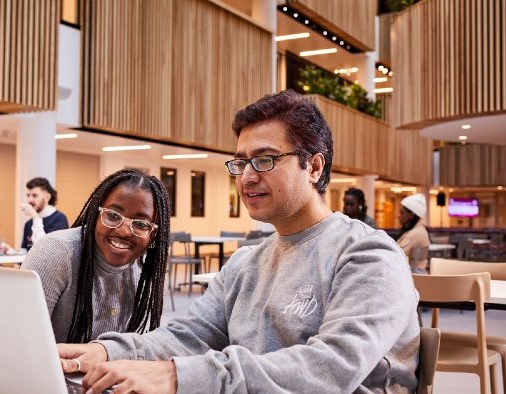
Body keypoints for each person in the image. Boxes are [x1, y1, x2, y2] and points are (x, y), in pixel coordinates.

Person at [57, 90, 420, 393]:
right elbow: (190, 336)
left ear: (314, 167)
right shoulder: (246, 263)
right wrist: (106, 352)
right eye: (240, 163)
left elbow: (331, 369)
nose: (246, 177)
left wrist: (175, 375)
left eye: (264, 160)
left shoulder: (368, 255)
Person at [21, 169, 171, 343]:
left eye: (140, 224)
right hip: (51, 369)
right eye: (113, 215)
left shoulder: (142, 271)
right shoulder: (56, 252)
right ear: (96, 215)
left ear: (153, 235)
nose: (123, 231)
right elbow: (22, 343)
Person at [20, 177, 69, 250]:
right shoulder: (28, 224)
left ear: (47, 197)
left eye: (34, 195)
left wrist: (36, 217)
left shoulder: (59, 219)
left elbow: (45, 250)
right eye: (28, 195)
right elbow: (24, 252)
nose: (29, 200)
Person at [397, 193, 430, 274]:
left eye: (401, 213)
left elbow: (396, 255)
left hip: (412, 275)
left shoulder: (414, 234)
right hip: (418, 273)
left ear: (411, 215)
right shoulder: (420, 230)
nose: (398, 216)